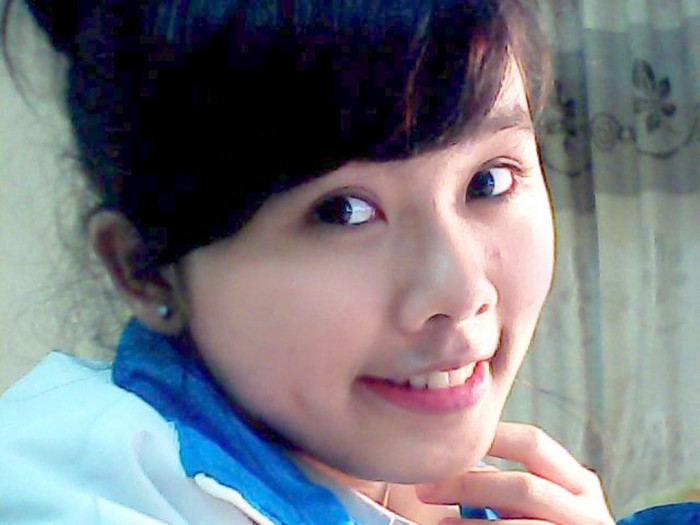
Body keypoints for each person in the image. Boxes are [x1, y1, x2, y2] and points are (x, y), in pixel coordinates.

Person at [0, 0, 679, 523]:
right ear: (144, 268)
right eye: (343, 211)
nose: (461, 290)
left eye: (489, 181)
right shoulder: (77, 492)